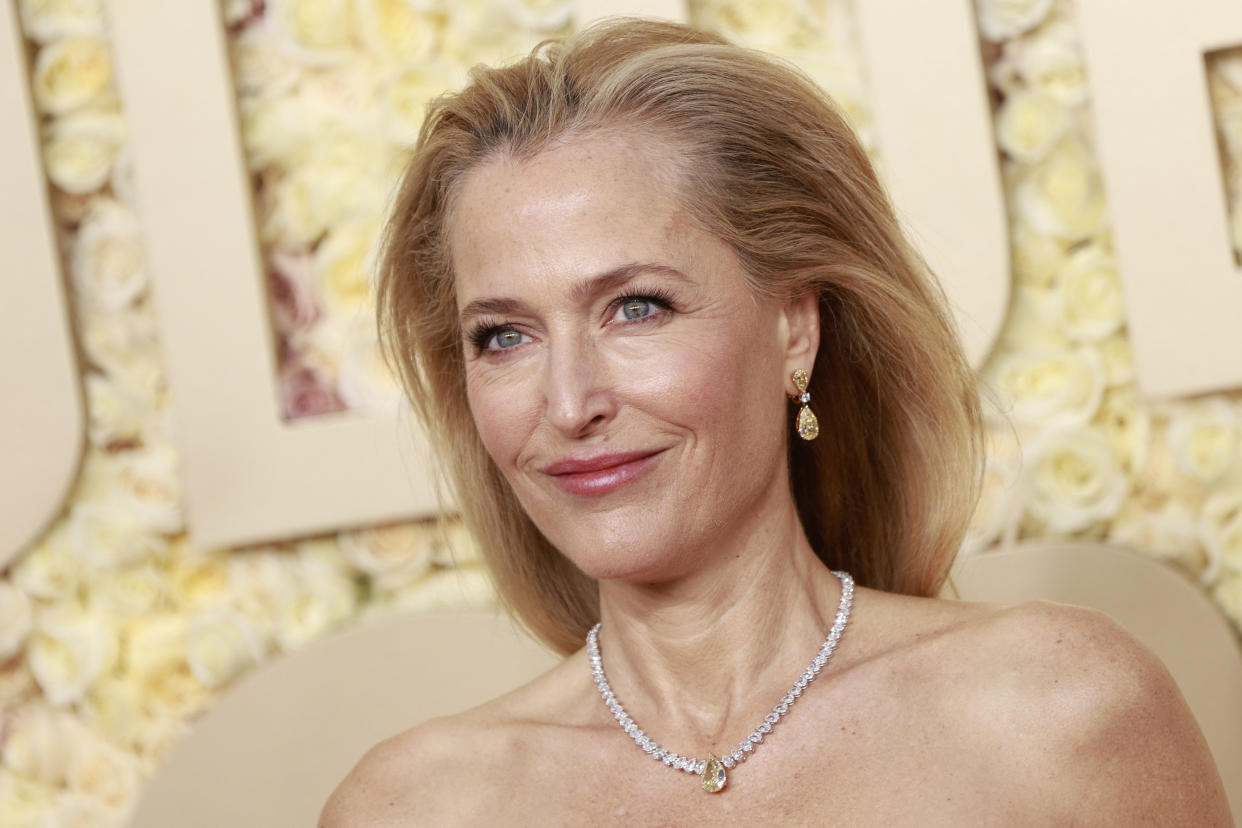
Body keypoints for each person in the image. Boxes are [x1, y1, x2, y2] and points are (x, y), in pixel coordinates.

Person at [321, 18, 1230, 825]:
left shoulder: (1060, 707)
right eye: (504, 335)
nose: (568, 404)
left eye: (636, 308)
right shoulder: (412, 806)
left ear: (795, 326)